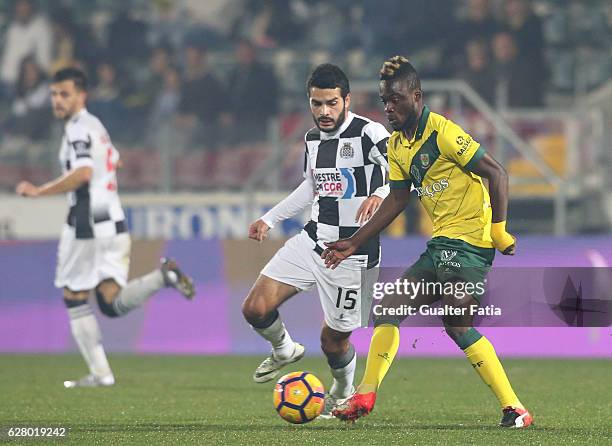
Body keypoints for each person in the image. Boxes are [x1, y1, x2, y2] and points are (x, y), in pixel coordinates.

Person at [322, 56, 533, 428]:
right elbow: (398, 200)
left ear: (416, 96)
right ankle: (366, 393)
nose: (389, 108)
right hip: (441, 245)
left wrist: (499, 230)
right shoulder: (398, 145)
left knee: (455, 320)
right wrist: (354, 242)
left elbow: (496, 174)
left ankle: (514, 407)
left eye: (397, 99)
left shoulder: (444, 133)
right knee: (389, 308)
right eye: (385, 100)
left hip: (470, 243)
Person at [15, 67, 196, 388]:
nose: (57, 100)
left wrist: (40, 191)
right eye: (54, 94)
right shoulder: (96, 126)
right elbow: (116, 160)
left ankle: (100, 374)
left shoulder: (77, 129)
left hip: (87, 222)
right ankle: (162, 277)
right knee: (110, 302)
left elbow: (84, 172)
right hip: (113, 219)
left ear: (81, 96)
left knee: (74, 295)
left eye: (65, 94)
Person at [242, 64, 390, 418]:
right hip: (312, 240)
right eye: (317, 103)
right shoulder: (311, 139)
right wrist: (270, 217)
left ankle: (342, 390)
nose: (324, 111)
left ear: (347, 100)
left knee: (333, 341)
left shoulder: (370, 133)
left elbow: (406, 174)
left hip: (352, 252)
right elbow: (311, 186)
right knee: (255, 308)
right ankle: (284, 348)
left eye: (331, 103)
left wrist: (381, 193)